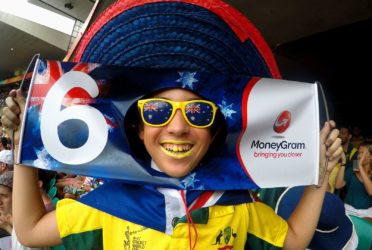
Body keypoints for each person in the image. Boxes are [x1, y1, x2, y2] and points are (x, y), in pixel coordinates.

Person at [1, 0, 343, 249]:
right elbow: (30, 231)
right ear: (136, 128)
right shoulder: (109, 204)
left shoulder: (236, 207)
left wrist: (319, 175)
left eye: (197, 113)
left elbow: (293, 241)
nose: (177, 127)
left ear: (214, 132)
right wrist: (23, 142)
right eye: (156, 112)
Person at [335, 141, 372, 219]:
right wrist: (343, 163)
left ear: (371, 156)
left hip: (368, 212)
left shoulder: (359, 167)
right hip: (349, 209)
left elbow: (370, 191)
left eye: (362, 153)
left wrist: (360, 167)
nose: (359, 156)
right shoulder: (353, 168)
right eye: (359, 153)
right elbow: (338, 185)